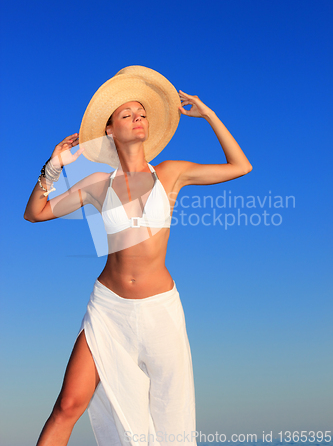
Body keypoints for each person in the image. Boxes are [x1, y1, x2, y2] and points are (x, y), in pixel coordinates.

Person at [24, 66, 252, 446]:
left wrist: (209, 116)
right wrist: (53, 168)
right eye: (127, 114)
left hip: (159, 311)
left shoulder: (170, 174)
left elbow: (240, 167)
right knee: (67, 405)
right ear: (110, 130)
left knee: (169, 421)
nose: (138, 118)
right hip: (108, 309)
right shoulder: (98, 184)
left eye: (142, 113)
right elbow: (37, 212)